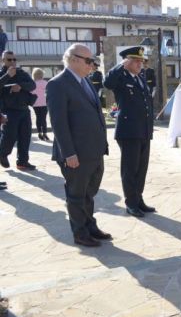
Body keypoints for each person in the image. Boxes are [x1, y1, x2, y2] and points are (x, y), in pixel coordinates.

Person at [47, 43, 110, 247]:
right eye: (88, 61)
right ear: (73, 59)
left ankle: (90, 226)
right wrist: (69, 153)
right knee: (76, 195)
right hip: (75, 154)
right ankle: (80, 233)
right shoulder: (58, 84)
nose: (92, 65)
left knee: (89, 193)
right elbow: (59, 123)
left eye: (93, 61)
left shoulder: (86, 82)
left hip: (93, 151)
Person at [104, 46, 155, 218]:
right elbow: (107, 83)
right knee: (130, 169)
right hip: (129, 131)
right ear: (127, 61)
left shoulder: (140, 77)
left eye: (141, 61)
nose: (141, 64)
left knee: (141, 168)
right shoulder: (120, 77)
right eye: (137, 61)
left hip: (144, 130)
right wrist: (120, 66)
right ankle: (131, 203)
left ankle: (138, 199)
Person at [0, 50, 36, 170]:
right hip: (9, 110)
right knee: (9, 137)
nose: (12, 62)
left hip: (24, 110)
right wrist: (8, 77)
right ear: (3, 61)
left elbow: (32, 85)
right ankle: (3, 155)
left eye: (14, 59)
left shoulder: (21, 72)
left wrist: (20, 86)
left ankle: (22, 162)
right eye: (9, 59)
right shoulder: (2, 73)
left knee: (25, 137)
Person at [30, 68, 50, 141]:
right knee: (43, 118)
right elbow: (48, 92)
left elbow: (30, 93)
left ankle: (39, 133)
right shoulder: (45, 82)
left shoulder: (32, 83)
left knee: (38, 118)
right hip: (44, 103)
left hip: (35, 103)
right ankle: (45, 133)